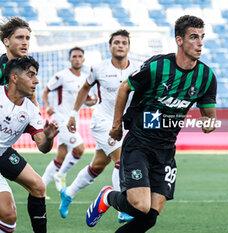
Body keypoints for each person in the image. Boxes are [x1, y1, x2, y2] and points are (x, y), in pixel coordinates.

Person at [86, 15, 218, 232]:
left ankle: (111, 198)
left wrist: (209, 123)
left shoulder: (206, 76)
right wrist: (117, 125)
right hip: (139, 143)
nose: (200, 42)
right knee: (140, 206)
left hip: (166, 150)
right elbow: (124, 88)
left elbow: (209, 116)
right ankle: (108, 196)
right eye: (193, 37)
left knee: (149, 218)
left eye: (202, 37)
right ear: (179, 40)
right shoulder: (158, 66)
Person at [60, 30, 138, 223]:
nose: (120, 45)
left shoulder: (138, 68)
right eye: (116, 42)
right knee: (122, 160)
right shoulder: (99, 68)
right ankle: (122, 207)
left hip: (124, 123)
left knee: (98, 165)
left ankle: (68, 193)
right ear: (109, 46)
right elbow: (85, 88)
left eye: (124, 43)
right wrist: (73, 114)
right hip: (103, 122)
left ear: (128, 47)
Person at [0, 56, 59, 233]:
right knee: (8, 214)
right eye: (30, 75)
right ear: (15, 78)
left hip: (2, 154)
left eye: (36, 75)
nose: (36, 80)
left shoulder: (31, 111)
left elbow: (43, 147)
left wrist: (48, 138)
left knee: (37, 187)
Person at [41, 47, 97, 192]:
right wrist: (47, 106)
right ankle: (61, 175)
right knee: (79, 148)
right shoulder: (61, 76)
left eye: (80, 56)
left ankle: (40, 188)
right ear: (69, 59)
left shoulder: (86, 78)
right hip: (60, 119)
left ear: (83, 59)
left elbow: (87, 101)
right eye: (74, 56)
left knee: (60, 158)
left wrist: (95, 100)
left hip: (73, 121)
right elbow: (45, 91)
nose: (77, 59)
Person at [0, 17, 38, 106]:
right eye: (20, 37)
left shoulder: (29, 68)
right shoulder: (1, 68)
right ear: (6, 41)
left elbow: (33, 101)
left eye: (27, 38)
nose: (25, 42)